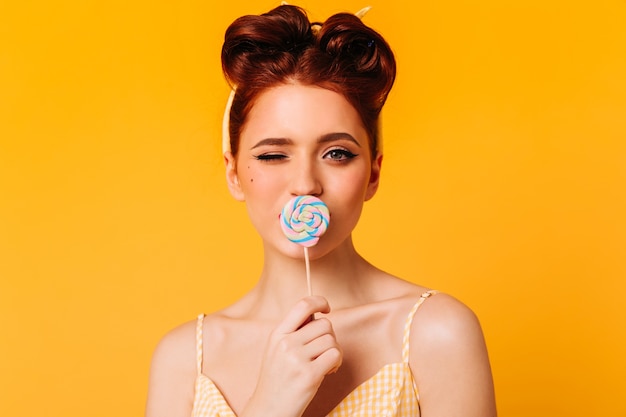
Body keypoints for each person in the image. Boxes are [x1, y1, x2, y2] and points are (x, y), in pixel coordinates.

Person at [145, 4, 496, 417]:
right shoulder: (185, 358)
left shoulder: (436, 333)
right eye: (274, 155)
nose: (305, 184)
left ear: (373, 174)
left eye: (336, 153)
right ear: (234, 173)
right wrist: (269, 407)